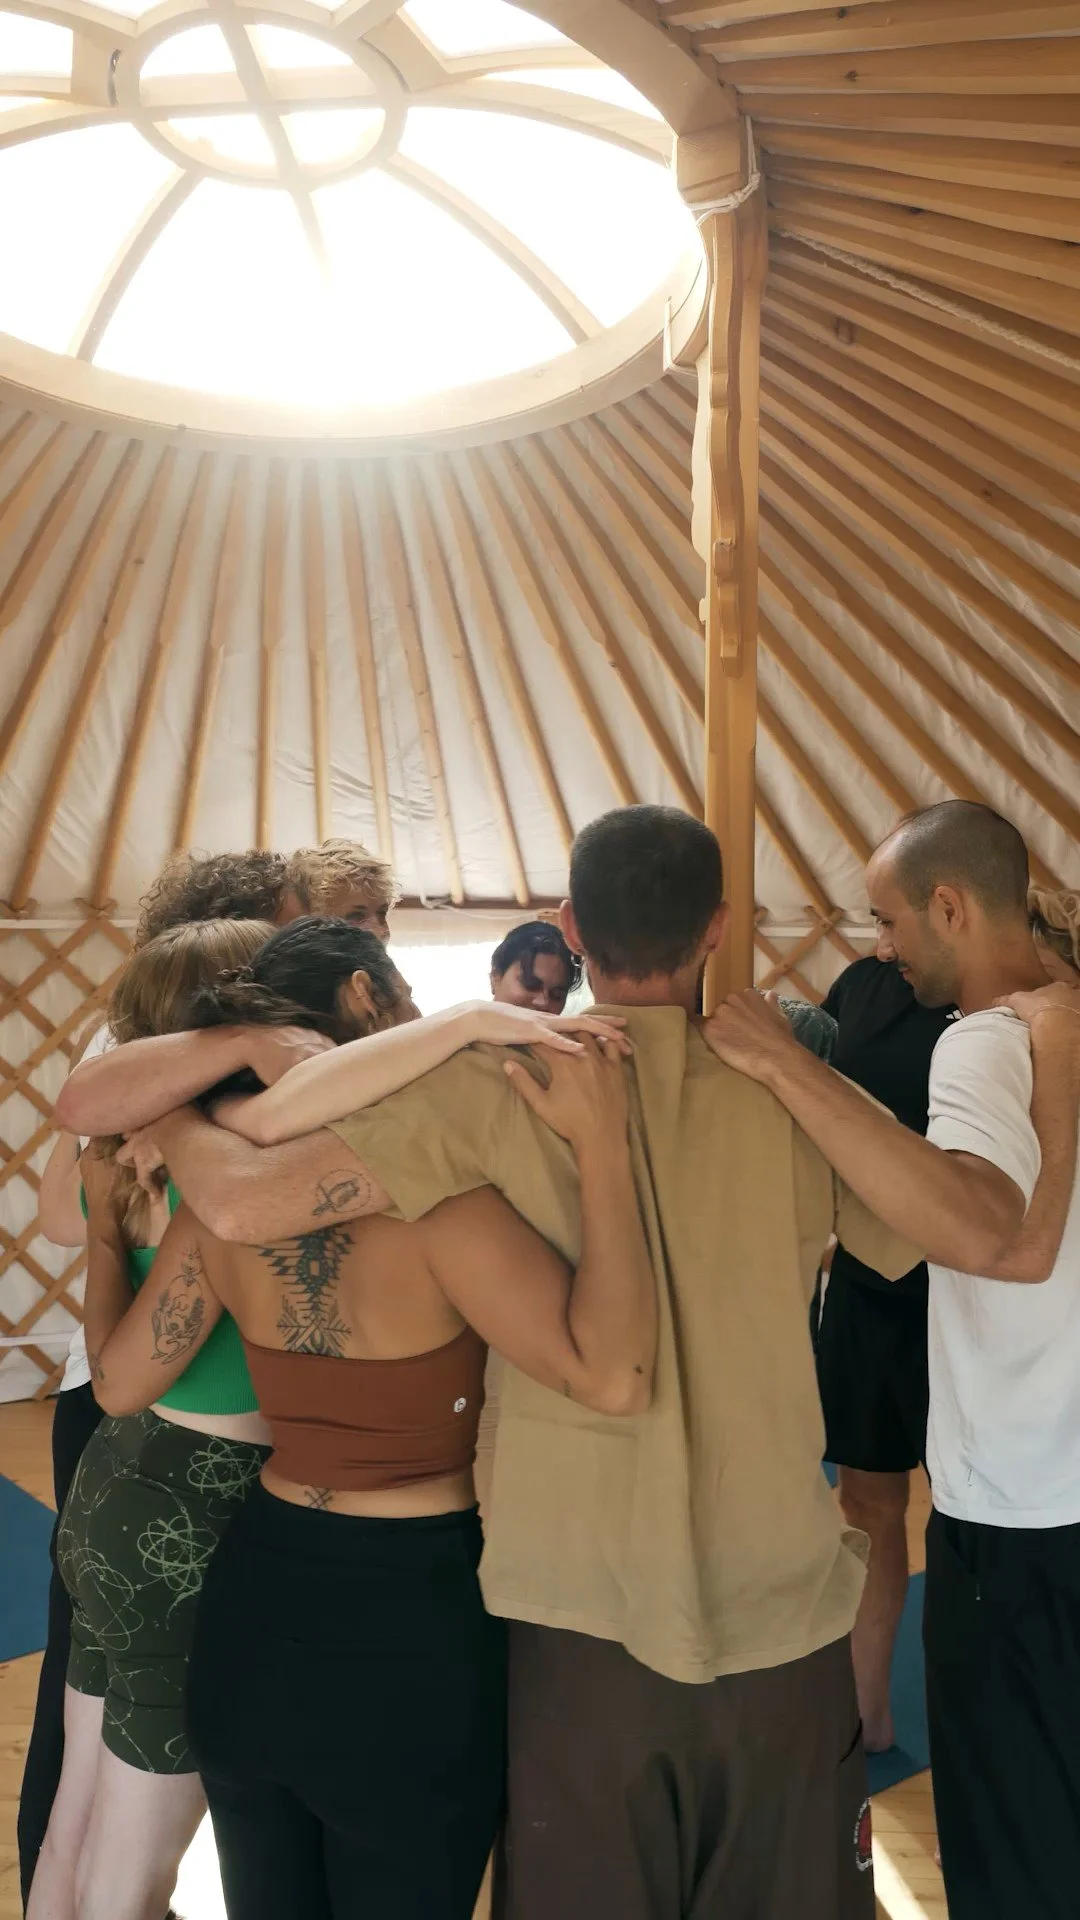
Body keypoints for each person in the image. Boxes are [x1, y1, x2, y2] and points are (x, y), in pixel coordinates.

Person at [68, 805, 936, 1920]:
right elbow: (916, 1241)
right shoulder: (770, 1101)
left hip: (402, 1603)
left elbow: (183, 1286)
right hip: (650, 1612)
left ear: (570, 927)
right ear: (719, 928)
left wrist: (193, 1113)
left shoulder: (413, 1131)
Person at [79, 917, 654, 1920]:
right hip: (409, 1623)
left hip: (254, 1608)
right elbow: (611, 1377)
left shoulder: (214, 1206)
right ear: (361, 1004)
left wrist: (100, 1229)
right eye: (402, 994)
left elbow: (119, 1386)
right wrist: (604, 1155)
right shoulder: (439, 1204)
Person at [705, 802, 1080, 1920]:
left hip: (1020, 1514)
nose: (878, 946)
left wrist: (784, 1065)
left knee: (1017, 1839)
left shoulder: (989, 1040)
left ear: (951, 908)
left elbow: (993, 1238)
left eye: (886, 920)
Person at [19, 838, 385, 1909]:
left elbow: (79, 1214)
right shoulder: (223, 1155)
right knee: (131, 1842)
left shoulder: (169, 1117)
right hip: (181, 1484)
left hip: (125, 1474)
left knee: (85, 1801)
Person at [813, 944, 953, 1750]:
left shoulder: (1020, 999)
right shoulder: (862, 985)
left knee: (968, 1521)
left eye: (894, 917)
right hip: (869, 1290)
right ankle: (869, 1713)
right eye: (876, 918)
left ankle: (977, 1721)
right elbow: (812, 1090)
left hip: (974, 1296)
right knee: (867, 1509)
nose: (884, 937)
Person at [490, 922, 578, 1015]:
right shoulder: (472, 1024)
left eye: (557, 995)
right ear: (495, 977)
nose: (543, 1003)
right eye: (530, 985)